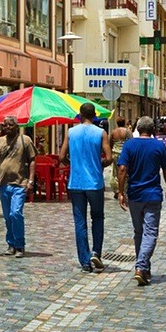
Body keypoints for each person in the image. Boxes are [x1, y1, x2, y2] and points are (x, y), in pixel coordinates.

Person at [116, 116, 166, 286]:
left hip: (135, 194)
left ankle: (144, 267)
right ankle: (141, 266)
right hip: (153, 194)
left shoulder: (129, 145)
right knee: (150, 233)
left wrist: (121, 192)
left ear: (137, 128)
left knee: (139, 232)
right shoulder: (159, 146)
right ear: (153, 130)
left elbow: (122, 169)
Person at [58, 102, 113, 273]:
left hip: (76, 182)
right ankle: (96, 251)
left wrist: (71, 163)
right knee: (98, 218)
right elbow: (109, 157)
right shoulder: (101, 133)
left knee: (80, 222)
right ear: (94, 116)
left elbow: (61, 156)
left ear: (80, 115)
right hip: (95, 183)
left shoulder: (71, 132)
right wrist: (100, 163)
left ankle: (84, 261)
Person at [0, 116, 36, 256]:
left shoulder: (25, 140)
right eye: (5, 125)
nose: (7, 127)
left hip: (20, 183)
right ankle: (11, 244)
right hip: (4, 184)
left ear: (16, 126)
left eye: (10, 125)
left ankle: (20, 245)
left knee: (15, 213)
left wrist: (31, 180)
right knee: (7, 216)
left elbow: (32, 160)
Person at [109, 117, 131, 199]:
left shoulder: (114, 132)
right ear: (124, 122)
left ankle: (117, 190)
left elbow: (110, 143)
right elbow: (131, 142)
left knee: (115, 172)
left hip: (115, 153)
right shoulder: (127, 131)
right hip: (125, 153)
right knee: (126, 171)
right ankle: (124, 189)